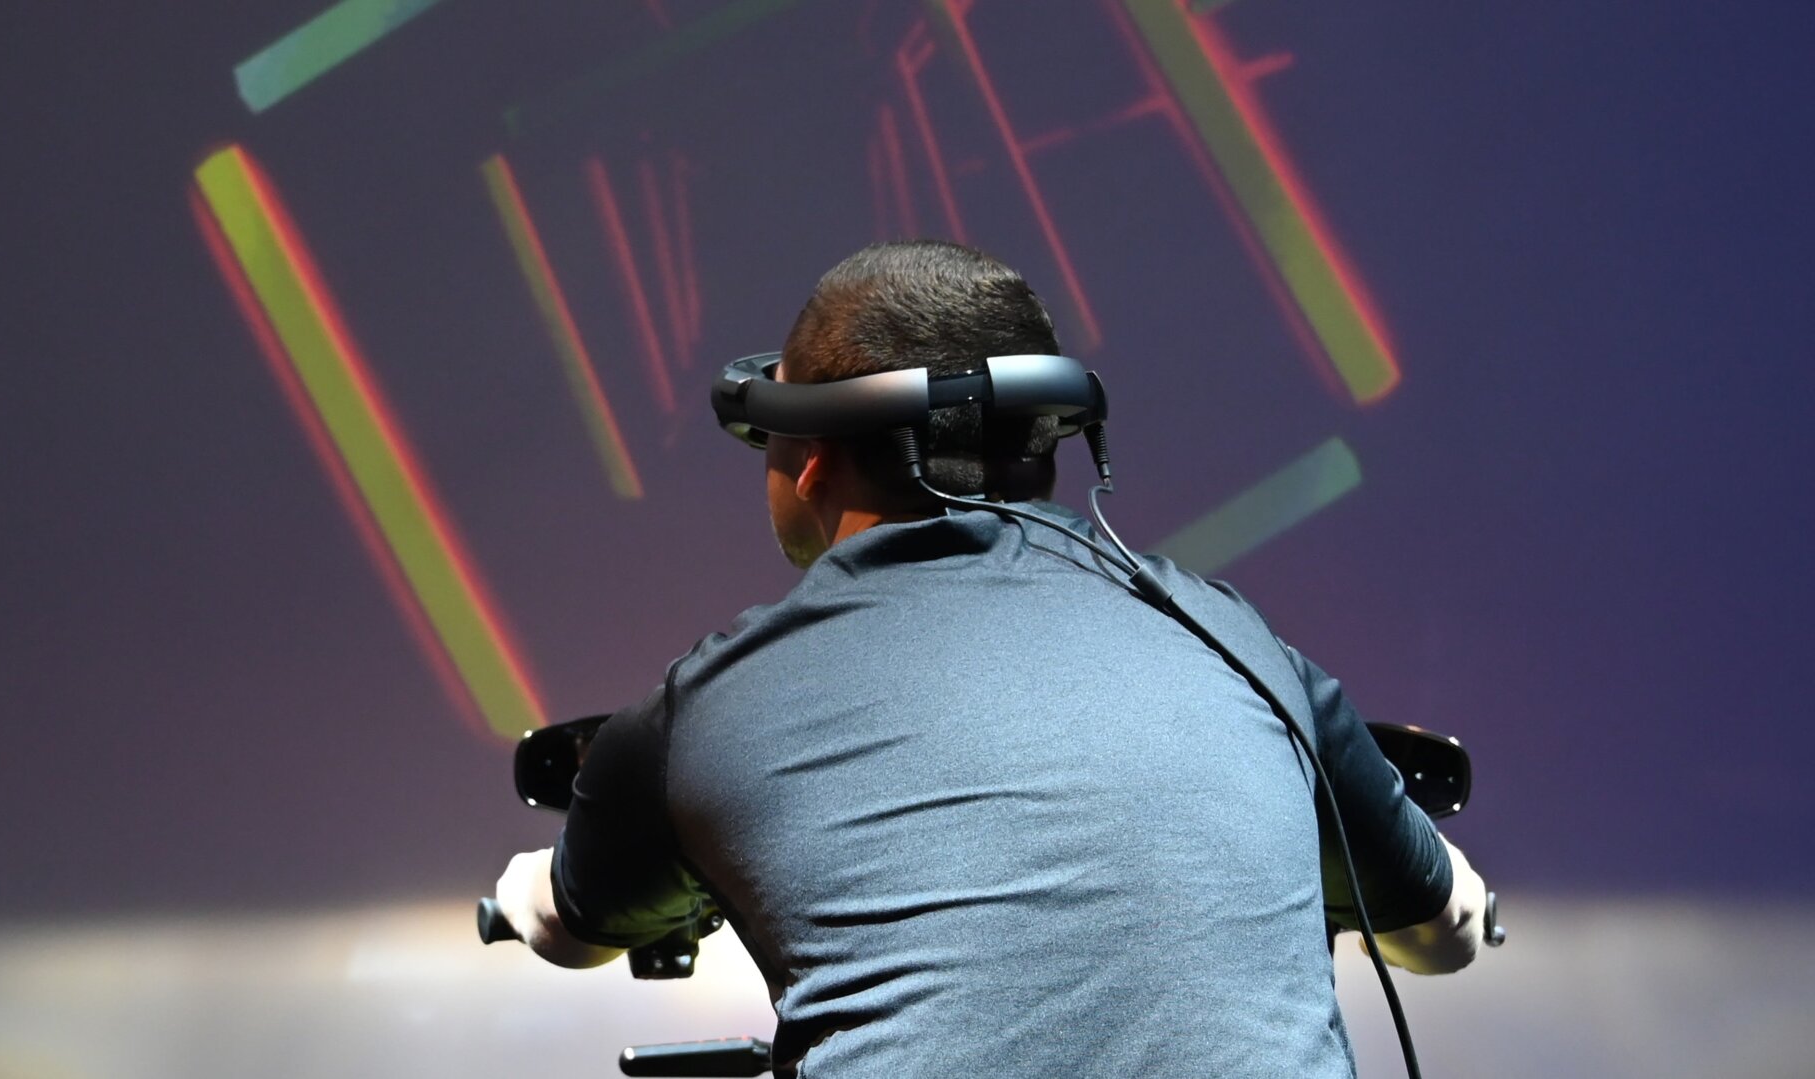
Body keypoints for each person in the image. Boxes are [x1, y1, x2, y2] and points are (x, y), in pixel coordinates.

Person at [494, 240, 1487, 1077]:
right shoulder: (1239, 644)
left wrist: (519, 889)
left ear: (808, 455)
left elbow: (571, 928)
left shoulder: (707, 710)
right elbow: (1442, 931)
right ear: (1053, 437)